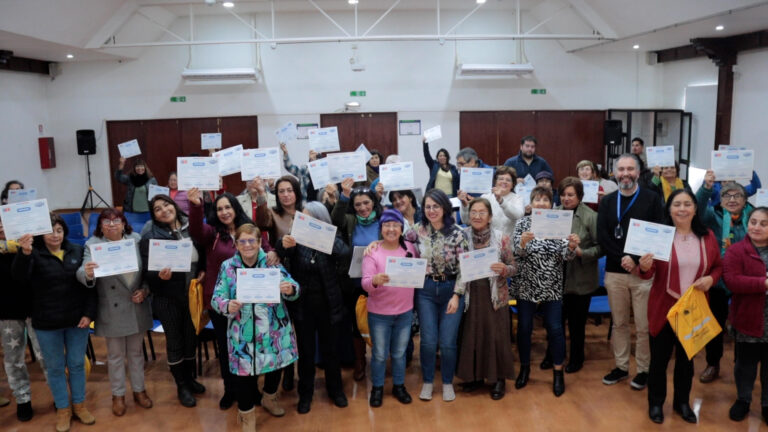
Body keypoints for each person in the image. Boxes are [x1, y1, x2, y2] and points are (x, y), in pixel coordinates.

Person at [187, 189, 278, 410]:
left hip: (251, 301)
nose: (224, 212)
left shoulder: (249, 230)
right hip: (221, 302)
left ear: (236, 208)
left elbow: (265, 249)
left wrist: (274, 252)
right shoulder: (212, 233)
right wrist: (196, 206)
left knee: (249, 348)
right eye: (219, 209)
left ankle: (251, 390)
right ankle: (230, 390)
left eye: (228, 207)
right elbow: (196, 230)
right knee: (227, 349)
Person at [637, 189, 722, 424]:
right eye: (676, 204)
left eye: (687, 204)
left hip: (693, 309)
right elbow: (647, 274)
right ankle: (655, 403)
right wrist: (644, 267)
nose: (682, 209)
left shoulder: (708, 237)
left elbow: (717, 267)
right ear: (669, 209)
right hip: (663, 308)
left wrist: (711, 280)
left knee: (687, 362)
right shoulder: (660, 236)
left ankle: (682, 403)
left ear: (695, 209)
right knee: (659, 361)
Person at [12, 214, 97, 432]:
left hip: (77, 320)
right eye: (51, 230)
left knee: (77, 364)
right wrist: (25, 253)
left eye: (59, 230)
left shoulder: (77, 251)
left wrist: (89, 314)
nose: (56, 235)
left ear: (64, 232)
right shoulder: (33, 253)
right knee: (55, 368)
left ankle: (79, 405)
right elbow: (19, 279)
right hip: (46, 323)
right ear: (41, 234)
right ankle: (63, 409)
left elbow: (90, 286)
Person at [211, 223, 300, 431]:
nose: (248, 245)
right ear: (236, 244)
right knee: (243, 377)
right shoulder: (227, 267)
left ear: (260, 242)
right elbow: (217, 298)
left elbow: (295, 287)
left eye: (252, 240)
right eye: (242, 241)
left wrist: (289, 289)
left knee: (274, 367)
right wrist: (227, 305)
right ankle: (247, 416)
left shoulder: (272, 263)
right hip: (242, 333)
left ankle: (269, 398)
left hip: (273, 331)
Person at [597, 154, 664, 390]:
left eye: (630, 169)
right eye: (621, 169)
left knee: (644, 326)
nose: (625, 173)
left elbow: (659, 231)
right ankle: (622, 366)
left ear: (638, 172)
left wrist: (635, 260)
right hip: (615, 273)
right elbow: (603, 237)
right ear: (615, 173)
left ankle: (644, 369)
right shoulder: (607, 201)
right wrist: (623, 259)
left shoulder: (652, 199)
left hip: (643, 274)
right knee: (620, 324)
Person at [77, 208, 153, 417]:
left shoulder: (135, 240)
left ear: (123, 223)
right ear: (100, 226)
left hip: (135, 304)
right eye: (106, 221)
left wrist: (145, 291)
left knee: (136, 354)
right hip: (111, 308)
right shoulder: (92, 246)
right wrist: (88, 273)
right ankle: (118, 395)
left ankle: (139, 390)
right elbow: (81, 272)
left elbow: (147, 271)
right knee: (116, 356)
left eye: (116, 220)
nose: (112, 224)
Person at [277, 201, 351, 414]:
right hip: (303, 307)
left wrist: (320, 237)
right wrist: (285, 243)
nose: (305, 223)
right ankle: (305, 394)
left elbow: (344, 252)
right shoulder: (296, 241)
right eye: (303, 219)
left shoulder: (330, 238)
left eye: (310, 219)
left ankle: (336, 390)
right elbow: (280, 248)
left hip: (330, 305)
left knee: (331, 352)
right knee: (307, 354)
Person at [513, 186, 579, 397]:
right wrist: (522, 243)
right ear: (531, 203)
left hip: (552, 286)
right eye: (537, 199)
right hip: (527, 285)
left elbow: (566, 257)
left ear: (551, 204)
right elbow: (516, 253)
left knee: (555, 329)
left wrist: (570, 247)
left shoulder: (558, 222)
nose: (541, 203)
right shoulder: (522, 223)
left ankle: (558, 374)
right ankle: (524, 369)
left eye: (545, 200)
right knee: (524, 329)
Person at [140, 195, 205, 408]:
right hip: (167, 298)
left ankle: (190, 378)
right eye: (157, 209)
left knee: (190, 339)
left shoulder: (191, 227)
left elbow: (202, 254)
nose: (164, 210)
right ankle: (181, 385)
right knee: (175, 341)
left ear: (174, 205)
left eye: (166, 204)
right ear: (154, 215)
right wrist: (159, 276)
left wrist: (203, 271)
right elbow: (146, 273)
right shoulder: (151, 237)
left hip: (192, 296)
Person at [404, 189, 468, 402]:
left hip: (451, 290)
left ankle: (448, 382)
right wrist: (377, 245)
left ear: (445, 208)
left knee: (448, 341)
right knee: (429, 341)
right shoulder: (417, 230)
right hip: (426, 291)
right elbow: (395, 241)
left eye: (436, 206)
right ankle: (428, 381)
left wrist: (457, 295)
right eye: (428, 206)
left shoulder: (458, 233)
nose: (432, 211)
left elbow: (464, 269)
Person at [456, 198, 517, 400]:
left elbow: (515, 267)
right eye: (473, 212)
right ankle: (475, 377)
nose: (477, 216)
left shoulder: (502, 238)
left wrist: (504, 269)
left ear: (490, 217)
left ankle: (498, 378)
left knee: (496, 336)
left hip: (495, 296)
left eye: (482, 212)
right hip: (471, 294)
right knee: (473, 334)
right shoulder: (461, 236)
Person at [696, 177, 754, 384]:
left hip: (747, 282)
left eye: (737, 195)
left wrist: (747, 170)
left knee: (744, 326)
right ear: (719, 200)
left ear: (745, 199)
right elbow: (699, 207)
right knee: (715, 325)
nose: (731, 199)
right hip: (720, 281)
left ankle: (742, 365)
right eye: (726, 195)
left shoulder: (753, 217)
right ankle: (713, 363)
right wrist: (705, 188)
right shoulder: (714, 215)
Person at [361, 209, 418, 407]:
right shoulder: (372, 252)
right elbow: (365, 283)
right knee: (378, 353)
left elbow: (418, 270)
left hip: (404, 311)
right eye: (387, 225)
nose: (391, 229)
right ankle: (377, 388)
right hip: (379, 314)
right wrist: (375, 281)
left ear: (402, 229)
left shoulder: (410, 248)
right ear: (381, 229)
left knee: (400, 353)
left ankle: (399, 386)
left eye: (395, 225)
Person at [332, 178, 384, 382]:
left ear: (374, 202)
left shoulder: (383, 220)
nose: (363, 208)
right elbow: (335, 220)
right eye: (358, 204)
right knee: (356, 324)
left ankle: (381, 360)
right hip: (354, 283)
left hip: (379, 282)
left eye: (366, 203)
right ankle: (360, 362)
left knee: (381, 322)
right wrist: (344, 196)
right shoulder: (350, 221)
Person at [723, 207, 768, 423]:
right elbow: (732, 281)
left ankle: (767, 404)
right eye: (753, 222)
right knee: (745, 365)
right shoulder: (736, 251)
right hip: (747, 316)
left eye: (763, 223)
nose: (756, 227)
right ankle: (743, 400)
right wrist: (763, 283)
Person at [0, 218, 46, 422]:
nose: (1, 226)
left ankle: (60, 397)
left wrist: (24, 248)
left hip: (36, 308)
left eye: (4, 222)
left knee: (46, 356)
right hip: (7, 311)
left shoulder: (31, 243)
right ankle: (23, 399)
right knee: (13, 360)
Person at [558, 177, 602, 373]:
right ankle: (554, 355)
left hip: (581, 278)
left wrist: (581, 252)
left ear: (580, 196)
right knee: (556, 322)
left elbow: (601, 247)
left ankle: (577, 359)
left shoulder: (591, 216)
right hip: (557, 278)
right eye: (563, 195)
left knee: (577, 325)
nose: (566, 198)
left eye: (570, 195)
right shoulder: (554, 214)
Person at [458, 166, 524, 234]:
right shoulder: (486, 197)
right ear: (495, 182)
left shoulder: (517, 198)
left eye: (508, 180)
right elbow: (466, 221)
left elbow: (518, 216)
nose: (504, 182)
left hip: (507, 243)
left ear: (513, 184)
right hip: (485, 241)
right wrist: (464, 205)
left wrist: (501, 201)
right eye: (501, 179)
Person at [255, 175, 302, 249]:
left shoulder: (305, 212)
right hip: (280, 257)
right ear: (277, 195)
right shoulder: (272, 212)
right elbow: (262, 224)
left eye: (290, 190)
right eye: (281, 191)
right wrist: (261, 193)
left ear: (297, 192)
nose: (285, 195)